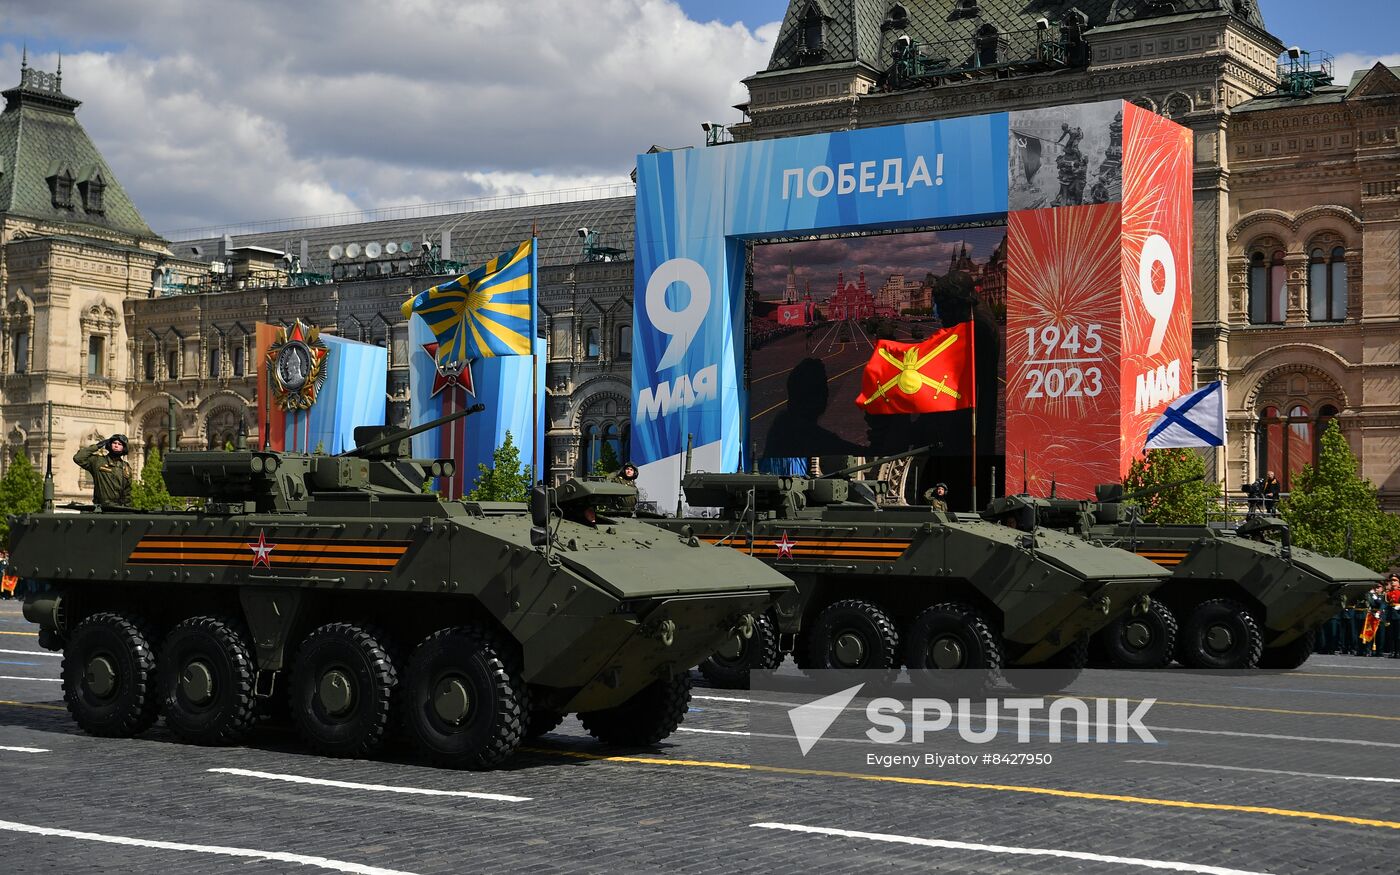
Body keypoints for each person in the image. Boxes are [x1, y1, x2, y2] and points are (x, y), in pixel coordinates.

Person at [74, 434, 133, 508]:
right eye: (114, 443)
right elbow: (78, 458)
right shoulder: (98, 461)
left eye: (119, 444)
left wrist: (127, 508)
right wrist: (96, 446)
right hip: (100, 507)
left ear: (124, 447)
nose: (116, 445)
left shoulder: (126, 468)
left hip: (117, 508)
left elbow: (127, 492)